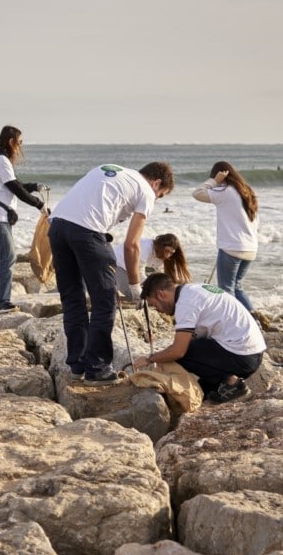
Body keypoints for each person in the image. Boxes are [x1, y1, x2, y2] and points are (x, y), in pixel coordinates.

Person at [48, 162, 174, 386]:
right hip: (87, 231)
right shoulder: (146, 191)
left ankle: (77, 366)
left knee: (73, 299)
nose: (157, 200)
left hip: (57, 227)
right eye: (161, 195)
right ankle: (97, 369)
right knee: (104, 301)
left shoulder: (110, 171)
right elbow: (131, 245)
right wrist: (135, 285)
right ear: (156, 183)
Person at [136, 273, 266, 403]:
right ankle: (220, 386)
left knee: (182, 355)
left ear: (161, 294)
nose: (158, 310)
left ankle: (232, 382)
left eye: (154, 304)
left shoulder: (185, 304)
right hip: (251, 351)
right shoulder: (192, 290)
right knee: (202, 393)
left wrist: (149, 359)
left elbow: (178, 351)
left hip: (242, 356)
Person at [0, 125, 49, 312]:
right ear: (11, 142)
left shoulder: (0, 160)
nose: (20, 146)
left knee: (3, 258)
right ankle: (1, 302)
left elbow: (16, 184)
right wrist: (39, 205)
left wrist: (35, 186)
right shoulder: (1, 160)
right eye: (19, 142)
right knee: (8, 257)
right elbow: (15, 188)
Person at [192, 161, 259, 312]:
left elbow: (197, 193)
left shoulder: (226, 192)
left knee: (226, 290)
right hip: (250, 248)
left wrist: (214, 181)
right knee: (237, 287)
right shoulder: (247, 192)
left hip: (232, 248)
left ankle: (235, 324)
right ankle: (254, 321)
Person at [113, 233, 191, 300]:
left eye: (171, 253)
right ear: (161, 246)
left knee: (151, 292)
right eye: (167, 251)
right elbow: (138, 270)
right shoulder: (145, 247)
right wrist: (148, 287)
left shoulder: (162, 254)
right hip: (116, 264)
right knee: (133, 295)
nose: (168, 255)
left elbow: (160, 274)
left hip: (133, 270)